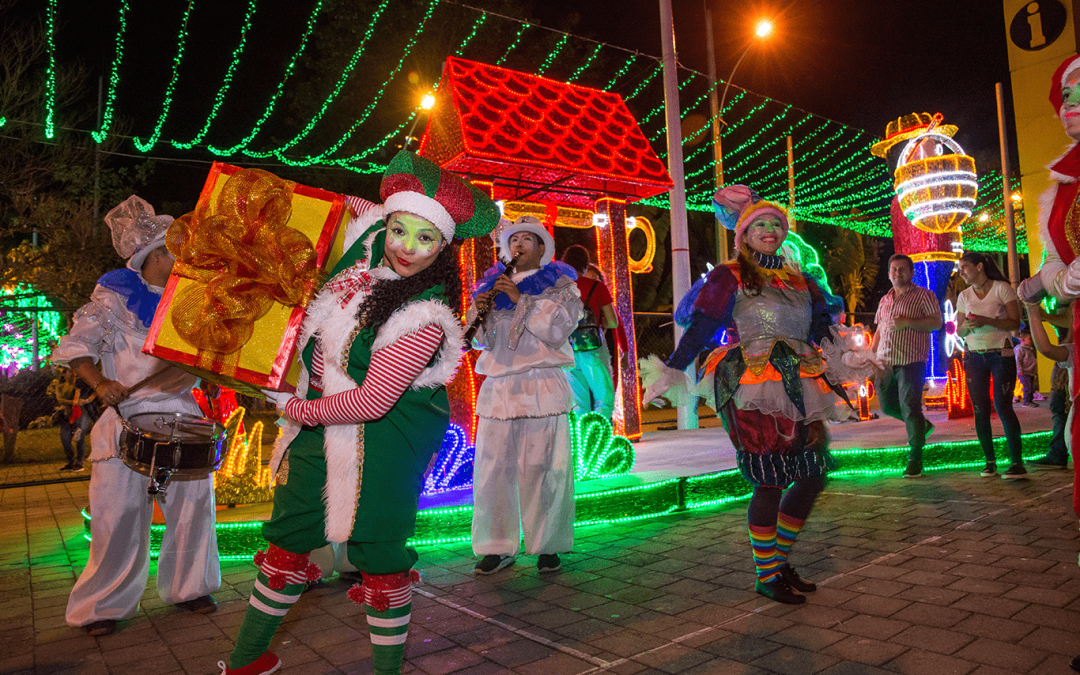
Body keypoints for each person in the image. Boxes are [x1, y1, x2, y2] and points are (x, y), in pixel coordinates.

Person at [222, 151, 499, 675]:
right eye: (400, 229)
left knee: (380, 554)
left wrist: (296, 407)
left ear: (444, 247)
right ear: (386, 222)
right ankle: (245, 660)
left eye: (425, 238)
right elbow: (326, 207)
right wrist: (256, 193)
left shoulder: (426, 315)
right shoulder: (368, 246)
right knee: (285, 540)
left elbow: (373, 402)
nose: (407, 248)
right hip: (317, 430)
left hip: (387, 444)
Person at [642, 185, 852, 605]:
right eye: (760, 224)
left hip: (801, 379)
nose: (770, 230)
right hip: (752, 382)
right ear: (743, 235)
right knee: (770, 478)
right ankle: (766, 574)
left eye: (776, 223)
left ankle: (777, 561)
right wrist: (674, 367)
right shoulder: (730, 275)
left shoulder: (801, 281)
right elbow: (702, 325)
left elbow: (819, 331)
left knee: (812, 471)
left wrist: (848, 356)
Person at [51, 195, 220, 637]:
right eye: (174, 252)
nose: (182, 259)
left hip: (183, 415)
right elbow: (76, 350)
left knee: (193, 508)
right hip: (125, 416)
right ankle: (100, 607)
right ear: (156, 256)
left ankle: (190, 589)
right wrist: (100, 383)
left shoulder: (192, 304)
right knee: (118, 513)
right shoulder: (110, 303)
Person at [469, 215, 582, 576]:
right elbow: (478, 340)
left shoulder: (560, 285)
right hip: (499, 387)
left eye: (527, 240)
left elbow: (557, 329)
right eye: (513, 239)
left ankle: (547, 546)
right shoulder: (492, 285)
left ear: (542, 247)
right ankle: (497, 546)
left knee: (545, 467)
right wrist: (481, 310)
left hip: (540, 384)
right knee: (492, 469)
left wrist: (522, 299)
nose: (518, 245)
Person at [955, 252, 1025, 479]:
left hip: (1001, 353)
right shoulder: (964, 296)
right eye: (960, 268)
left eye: (964, 267)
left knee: (1003, 406)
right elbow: (959, 331)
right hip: (973, 355)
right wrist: (968, 325)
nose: (961, 272)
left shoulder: (1002, 288)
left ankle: (1016, 462)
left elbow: (1015, 322)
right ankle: (990, 461)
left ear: (980, 266)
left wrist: (987, 321)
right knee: (980, 409)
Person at [872, 253, 942, 478]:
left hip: (911, 360)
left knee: (910, 407)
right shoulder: (885, 299)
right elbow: (880, 330)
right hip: (884, 361)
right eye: (893, 269)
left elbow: (936, 323)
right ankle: (923, 427)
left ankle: (915, 457)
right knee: (887, 406)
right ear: (889, 273)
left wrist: (908, 322)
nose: (897, 273)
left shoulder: (924, 295)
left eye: (902, 269)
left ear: (912, 273)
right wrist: (871, 357)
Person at [560, 245, 618, 419]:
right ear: (585, 266)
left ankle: (582, 443)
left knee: (579, 404)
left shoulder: (558, 288)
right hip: (593, 348)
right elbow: (613, 322)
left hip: (566, 351)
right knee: (604, 399)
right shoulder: (596, 286)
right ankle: (598, 440)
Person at [49, 367, 94, 472]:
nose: (73, 374)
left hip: (80, 414)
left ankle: (79, 463)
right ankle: (71, 462)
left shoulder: (79, 385)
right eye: (70, 372)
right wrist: (73, 402)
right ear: (64, 374)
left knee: (80, 438)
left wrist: (85, 400)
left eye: (74, 372)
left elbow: (91, 392)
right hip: (66, 415)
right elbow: (60, 399)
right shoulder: (60, 387)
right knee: (65, 440)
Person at [1014, 328, 1039, 407]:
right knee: (1027, 388)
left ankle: (1030, 401)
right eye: (1030, 339)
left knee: (1031, 388)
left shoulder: (1029, 349)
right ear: (1023, 340)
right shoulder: (1020, 349)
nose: (1031, 341)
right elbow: (1018, 361)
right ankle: (1026, 402)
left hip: (1030, 372)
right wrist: (1020, 370)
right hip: (1024, 372)